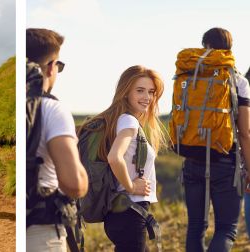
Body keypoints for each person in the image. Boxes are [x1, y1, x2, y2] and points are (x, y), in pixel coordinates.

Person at [171, 27, 250, 252]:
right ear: (229, 49)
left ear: (204, 46)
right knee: (226, 228)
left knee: (195, 226)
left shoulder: (187, 75)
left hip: (192, 160)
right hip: (226, 162)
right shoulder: (238, 80)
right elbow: (244, 132)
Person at [79, 65, 168, 251]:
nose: (147, 97)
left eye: (151, 92)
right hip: (130, 212)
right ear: (126, 92)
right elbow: (114, 157)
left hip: (121, 212)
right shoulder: (129, 121)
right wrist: (131, 186)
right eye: (140, 91)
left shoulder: (119, 120)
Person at [25, 28, 88, 251]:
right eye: (58, 66)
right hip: (41, 232)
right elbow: (74, 184)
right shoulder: (52, 109)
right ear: (51, 66)